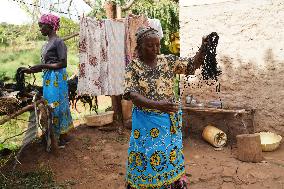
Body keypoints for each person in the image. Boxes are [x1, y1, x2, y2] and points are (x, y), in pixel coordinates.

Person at [124, 27, 208, 188]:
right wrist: (158, 105)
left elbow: (191, 65)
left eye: (157, 45)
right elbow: (132, 95)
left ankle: (171, 183)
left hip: (169, 120)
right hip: (146, 122)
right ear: (140, 47)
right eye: (150, 46)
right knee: (147, 153)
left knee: (170, 152)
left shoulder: (168, 61)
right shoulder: (133, 67)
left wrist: (203, 48)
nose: (155, 49)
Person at [21, 14, 73, 148]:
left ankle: (60, 136)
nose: (40, 29)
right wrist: (30, 70)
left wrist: (42, 66)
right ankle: (53, 135)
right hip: (48, 78)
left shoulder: (58, 42)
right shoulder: (46, 45)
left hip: (57, 78)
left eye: (41, 26)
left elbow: (63, 63)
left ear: (49, 26)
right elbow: (45, 64)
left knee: (56, 105)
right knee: (49, 105)